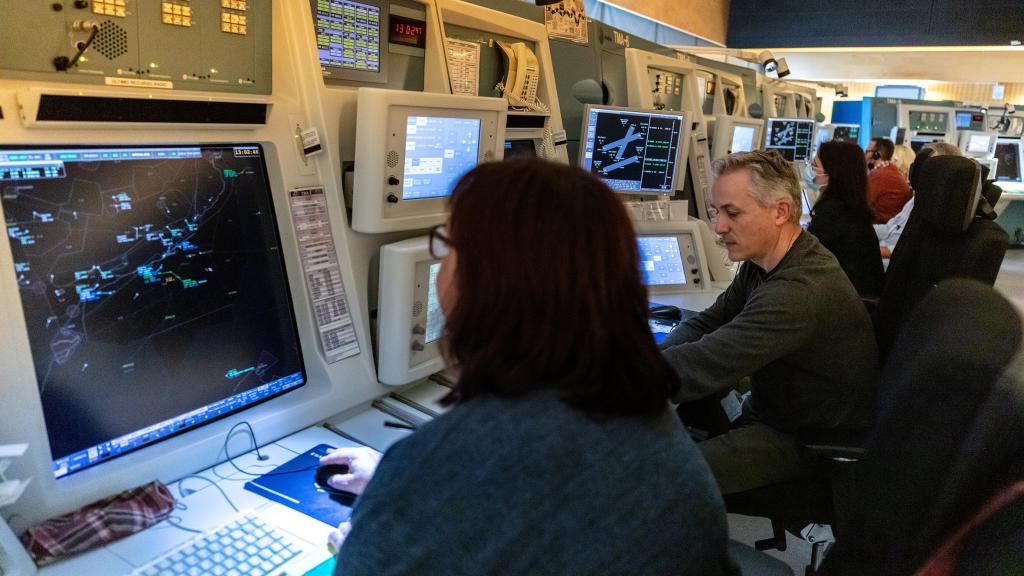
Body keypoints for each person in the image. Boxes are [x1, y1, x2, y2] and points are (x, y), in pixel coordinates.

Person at [322, 160, 737, 575]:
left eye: (447, 246)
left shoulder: (454, 459)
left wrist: (379, 524)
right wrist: (405, 486)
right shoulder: (640, 406)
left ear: (485, 281)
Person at [660, 150, 879, 495]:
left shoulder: (798, 291)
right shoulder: (765, 260)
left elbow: (706, 362)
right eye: (717, 212)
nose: (718, 227)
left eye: (732, 213)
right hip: (771, 404)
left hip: (801, 437)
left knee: (654, 475)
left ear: (780, 212)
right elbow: (707, 324)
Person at [806, 140, 885, 297]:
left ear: (832, 173)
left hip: (844, 302)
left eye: (814, 165)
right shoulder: (852, 210)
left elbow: (804, 257)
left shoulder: (832, 213)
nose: (809, 170)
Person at [875, 142, 961, 259]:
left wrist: (865, 250)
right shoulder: (917, 199)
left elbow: (898, 251)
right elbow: (889, 229)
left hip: (888, 264)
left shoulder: (934, 209)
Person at [866, 137, 912, 223]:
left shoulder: (879, 176)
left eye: (867, 151)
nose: (865, 155)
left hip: (879, 226)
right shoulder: (893, 171)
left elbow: (861, 203)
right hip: (891, 225)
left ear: (877, 154)